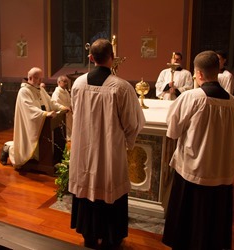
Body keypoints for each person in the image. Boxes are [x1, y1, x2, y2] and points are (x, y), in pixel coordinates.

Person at [162, 50, 234, 250]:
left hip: (193, 171)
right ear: (216, 71)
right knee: (213, 225)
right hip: (221, 173)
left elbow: (173, 131)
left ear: (198, 74)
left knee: (188, 224)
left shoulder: (191, 97)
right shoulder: (232, 102)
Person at [69, 38, 146, 249]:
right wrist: (127, 142)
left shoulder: (77, 84)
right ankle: (112, 238)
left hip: (84, 152)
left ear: (91, 58)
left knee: (87, 190)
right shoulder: (122, 87)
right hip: (109, 154)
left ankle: (89, 236)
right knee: (110, 190)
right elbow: (133, 123)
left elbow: (76, 113)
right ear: (112, 58)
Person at [0, 67, 70, 167]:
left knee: (35, 146)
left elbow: (50, 102)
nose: (41, 81)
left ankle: (46, 159)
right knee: (26, 148)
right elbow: (30, 109)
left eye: (41, 78)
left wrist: (62, 107)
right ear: (30, 77)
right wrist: (45, 114)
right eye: (38, 78)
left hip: (43, 121)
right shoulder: (24, 91)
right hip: (31, 122)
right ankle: (7, 148)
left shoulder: (40, 89)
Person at [51, 75, 73, 141]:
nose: (66, 83)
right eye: (64, 81)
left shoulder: (65, 91)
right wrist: (63, 108)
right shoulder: (56, 93)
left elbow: (69, 101)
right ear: (59, 82)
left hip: (68, 114)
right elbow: (54, 104)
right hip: (62, 115)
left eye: (67, 82)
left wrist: (71, 106)